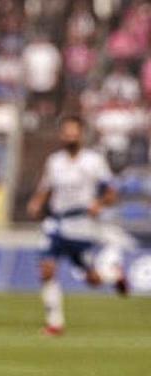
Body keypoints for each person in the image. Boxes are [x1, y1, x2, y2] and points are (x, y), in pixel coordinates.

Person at [27, 115, 128, 336]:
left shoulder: (94, 161)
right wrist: (37, 202)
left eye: (74, 132)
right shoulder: (54, 161)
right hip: (56, 221)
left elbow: (111, 193)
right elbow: (46, 188)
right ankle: (55, 323)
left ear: (81, 134)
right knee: (46, 269)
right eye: (66, 132)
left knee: (91, 279)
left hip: (81, 225)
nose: (70, 136)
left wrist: (99, 204)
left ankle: (114, 275)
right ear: (61, 135)